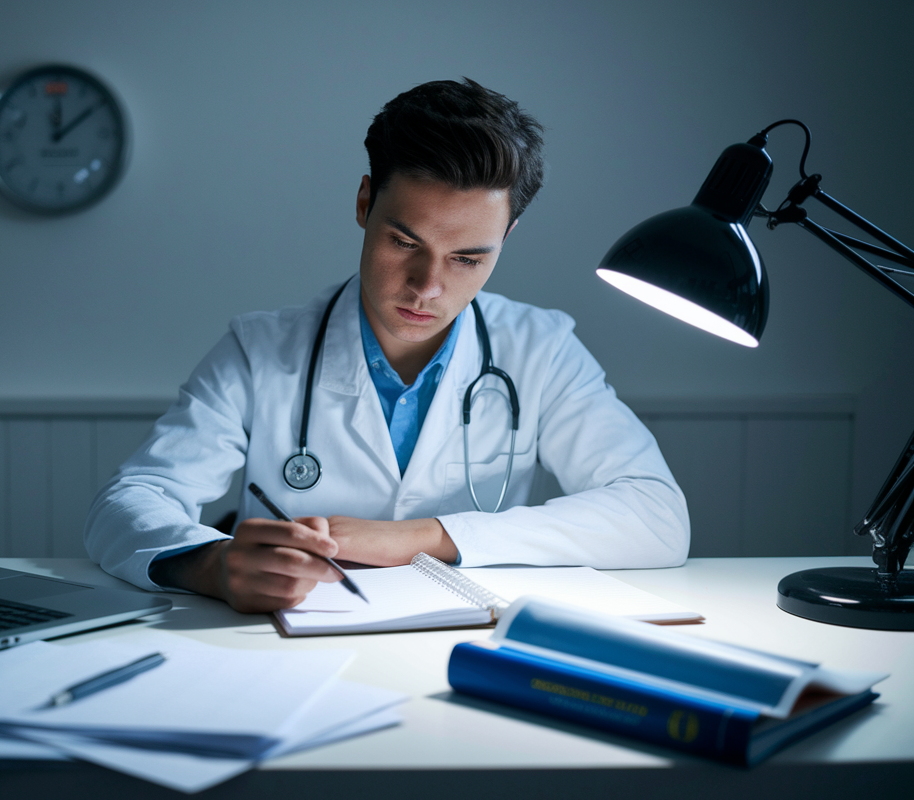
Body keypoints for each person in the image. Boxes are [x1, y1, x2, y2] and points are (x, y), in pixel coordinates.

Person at [84, 79, 689, 613]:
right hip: (278, 646)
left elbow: (657, 516)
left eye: (469, 258)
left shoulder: (541, 349)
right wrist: (212, 567)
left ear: (507, 237)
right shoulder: (260, 349)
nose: (428, 287)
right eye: (405, 243)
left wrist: (424, 537)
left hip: (462, 645)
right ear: (364, 203)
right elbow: (131, 501)